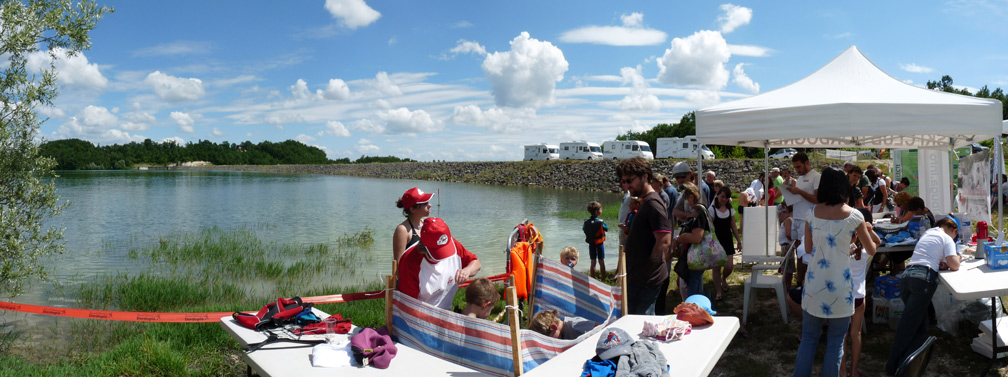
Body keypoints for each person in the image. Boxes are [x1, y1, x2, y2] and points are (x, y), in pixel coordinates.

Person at [793, 167, 879, 377]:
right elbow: (871, 250)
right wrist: (864, 232)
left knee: (809, 339)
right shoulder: (855, 216)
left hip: (814, 285)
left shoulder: (811, 214)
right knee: (835, 343)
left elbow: (811, 248)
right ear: (844, 187)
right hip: (841, 287)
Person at [885, 217, 962, 375]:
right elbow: (955, 265)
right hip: (923, 281)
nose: (955, 238)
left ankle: (908, 364)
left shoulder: (928, 233)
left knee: (919, 325)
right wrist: (958, 257)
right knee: (908, 328)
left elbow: (929, 255)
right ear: (953, 230)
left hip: (907, 278)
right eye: (956, 235)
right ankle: (896, 367)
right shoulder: (947, 238)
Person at [616, 157, 672, 315]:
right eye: (623, 181)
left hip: (645, 280)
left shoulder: (653, 204)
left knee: (640, 325)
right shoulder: (646, 202)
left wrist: (647, 270)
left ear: (645, 176)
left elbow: (664, 241)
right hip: (638, 277)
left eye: (629, 180)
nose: (626, 186)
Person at [397, 217, 482, 310]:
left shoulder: (454, 245)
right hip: (421, 315)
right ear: (424, 248)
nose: (444, 258)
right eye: (438, 254)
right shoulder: (409, 262)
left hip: (445, 312)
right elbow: (409, 307)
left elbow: (476, 263)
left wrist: (467, 270)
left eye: (446, 250)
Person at [841, 208, 880, 377]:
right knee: (855, 334)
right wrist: (870, 231)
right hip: (858, 296)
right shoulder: (865, 252)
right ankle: (853, 371)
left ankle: (841, 371)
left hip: (842, 296)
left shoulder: (841, 251)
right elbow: (877, 243)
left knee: (841, 336)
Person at [670, 182, 709, 299]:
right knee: (691, 284)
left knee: (693, 287)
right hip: (697, 255)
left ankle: (693, 308)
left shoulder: (698, 214)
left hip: (696, 255)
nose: (686, 201)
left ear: (691, 197)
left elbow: (696, 237)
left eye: (686, 198)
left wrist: (678, 239)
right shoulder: (699, 212)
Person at [788, 152, 820, 286]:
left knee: (806, 254)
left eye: (799, 167)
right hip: (797, 217)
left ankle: (807, 282)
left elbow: (818, 200)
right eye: (795, 167)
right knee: (798, 253)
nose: (797, 170)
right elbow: (800, 198)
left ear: (807, 163)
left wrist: (799, 192)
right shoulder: (800, 178)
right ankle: (800, 281)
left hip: (808, 221)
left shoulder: (817, 177)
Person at [708, 186, 741, 301]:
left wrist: (739, 240)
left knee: (729, 266)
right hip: (716, 241)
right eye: (722, 196)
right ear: (717, 195)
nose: (724, 199)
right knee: (716, 267)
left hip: (727, 240)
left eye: (726, 197)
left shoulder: (730, 209)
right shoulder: (712, 209)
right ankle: (718, 291)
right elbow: (710, 227)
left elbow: (733, 226)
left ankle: (724, 278)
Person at [393, 187, 434, 262]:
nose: (430, 205)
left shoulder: (427, 224)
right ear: (412, 209)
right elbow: (398, 263)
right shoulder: (403, 230)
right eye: (425, 203)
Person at [528, 309, 598, 340]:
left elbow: (601, 329)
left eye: (549, 339)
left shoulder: (575, 325)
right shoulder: (562, 334)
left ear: (553, 327)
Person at [583, 201, 609, 278]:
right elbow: (606, 228)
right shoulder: (601, 222)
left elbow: (584, 229)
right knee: (601, 261)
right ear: (597, 212)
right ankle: (603, 279)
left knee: (593, 262)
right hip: (599, 244)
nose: (601, 211)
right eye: (600, 209)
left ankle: (592, 279)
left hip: (591, 244)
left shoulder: (586, 222)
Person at [778, 204, 796, 291]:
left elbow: (788, 234)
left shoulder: (788, 220)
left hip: (787, 246)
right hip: (785, 245)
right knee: (786, 267)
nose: (780, 215)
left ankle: (786, 286)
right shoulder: (788, 220)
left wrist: (792, 241)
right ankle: (786, 285)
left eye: (781, 213)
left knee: (787, 268)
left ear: (787, 212)